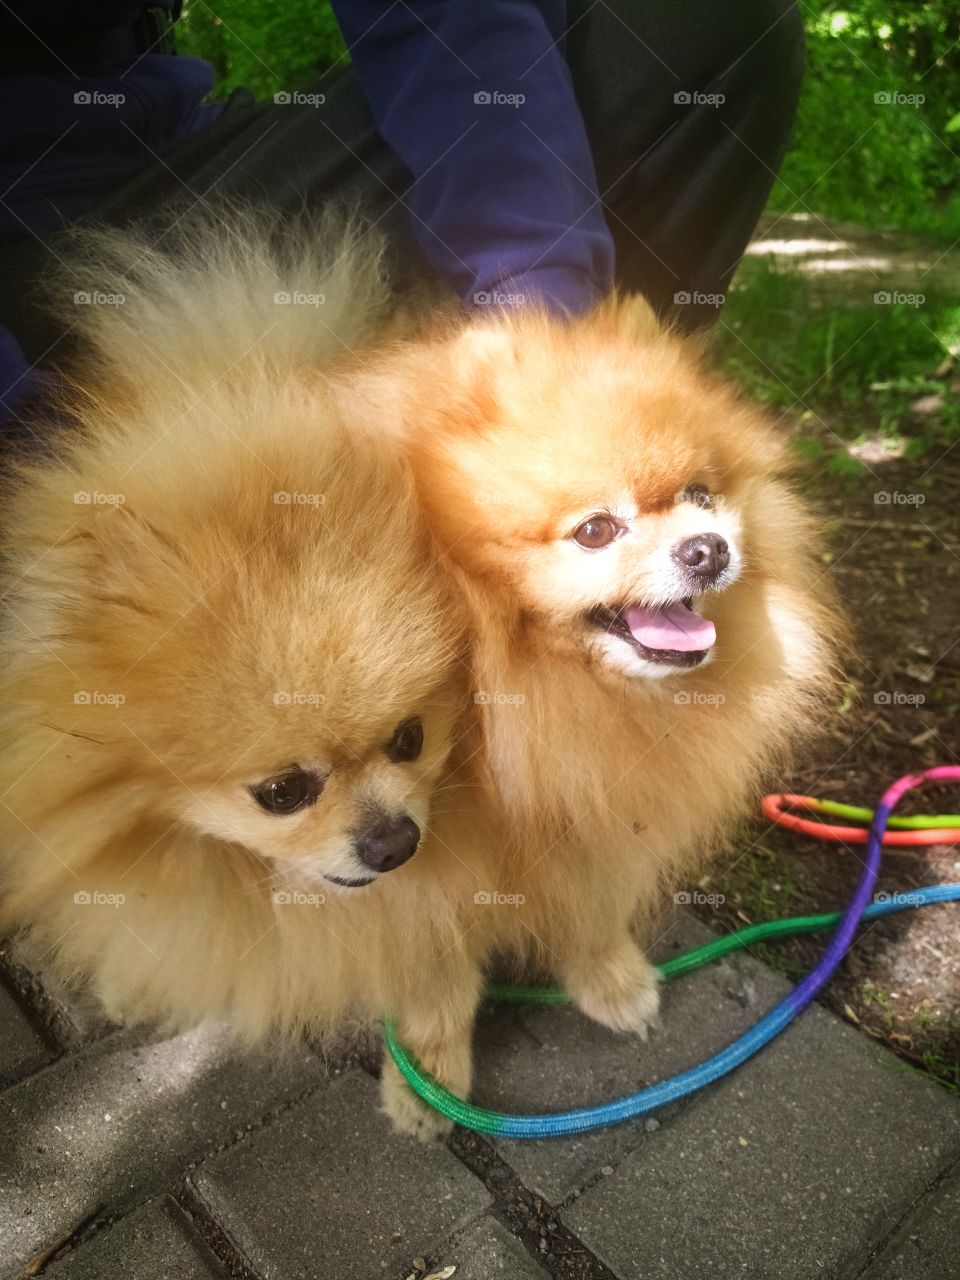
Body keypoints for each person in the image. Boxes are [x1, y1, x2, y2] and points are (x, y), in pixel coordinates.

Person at [0, 0, 804, 429]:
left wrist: (534, 309)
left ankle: (577, 525)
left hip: (162, 163)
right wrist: (30, 443)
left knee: (707, 24)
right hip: (22, 270)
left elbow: (443, 17)